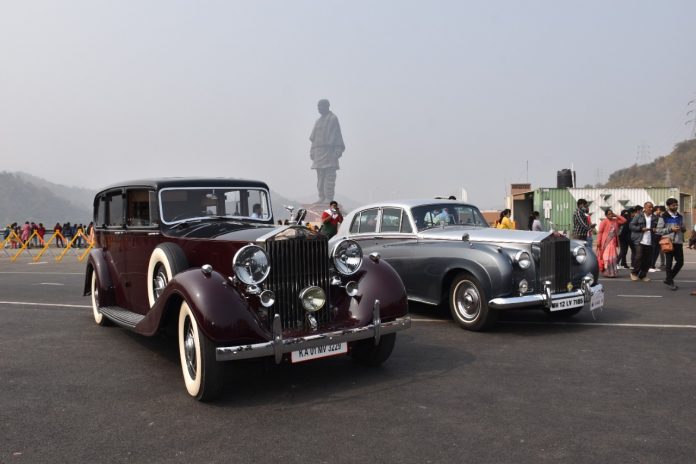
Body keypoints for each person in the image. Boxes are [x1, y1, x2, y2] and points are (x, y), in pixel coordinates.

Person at [309, 99, 345, 203]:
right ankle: (321, 197)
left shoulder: (333, 118)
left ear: (327, 106)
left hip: (329, 152)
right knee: (320, 177)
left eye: (321, 106)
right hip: (318, 152)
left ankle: (329, 198)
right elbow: (314, 138)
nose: (319, 109)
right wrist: (312, 150)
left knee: (329, 176)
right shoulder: (318, 121)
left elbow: (337, 135)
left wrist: (338, 150)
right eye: (318, 107)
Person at [656, 198, 686, 290]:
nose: (675, 206)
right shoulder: (663, 216)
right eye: (673, 205)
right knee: (668, 263)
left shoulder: (680, 216)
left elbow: (683, 228)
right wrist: (671, 229)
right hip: (668, 242)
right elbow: (658, 230)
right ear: (668, 206)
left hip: (678, 242)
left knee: (680, 262)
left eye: (676, 205)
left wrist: (683, 229)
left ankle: (668, 279)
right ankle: (670, 282)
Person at [629, 201, 658, 282]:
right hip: (639, 240)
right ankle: (634, 273)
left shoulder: (655, 217)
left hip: (650, 241)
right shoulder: (638, 216)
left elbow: (658, 228)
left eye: (652, 207)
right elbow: (631, 226)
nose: (651, 209)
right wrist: (640, 229)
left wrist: (656, 230)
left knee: (648, 260)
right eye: (649, 207)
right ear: (644, 208)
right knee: (639, 257)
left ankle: (643, 275)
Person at [596, 209, 626, 278]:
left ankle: (613, 272)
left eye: (611, 213)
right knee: (606, 257)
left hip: (613, 242)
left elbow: (624, 220)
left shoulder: (615, 220)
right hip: (605, 242)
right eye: (609, 214)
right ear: (606, 215)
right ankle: (607, 272)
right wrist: (598, 241)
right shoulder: (604, 222)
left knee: (613, 258)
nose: (610, 215)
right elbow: (600, 232)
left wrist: (615, 215)